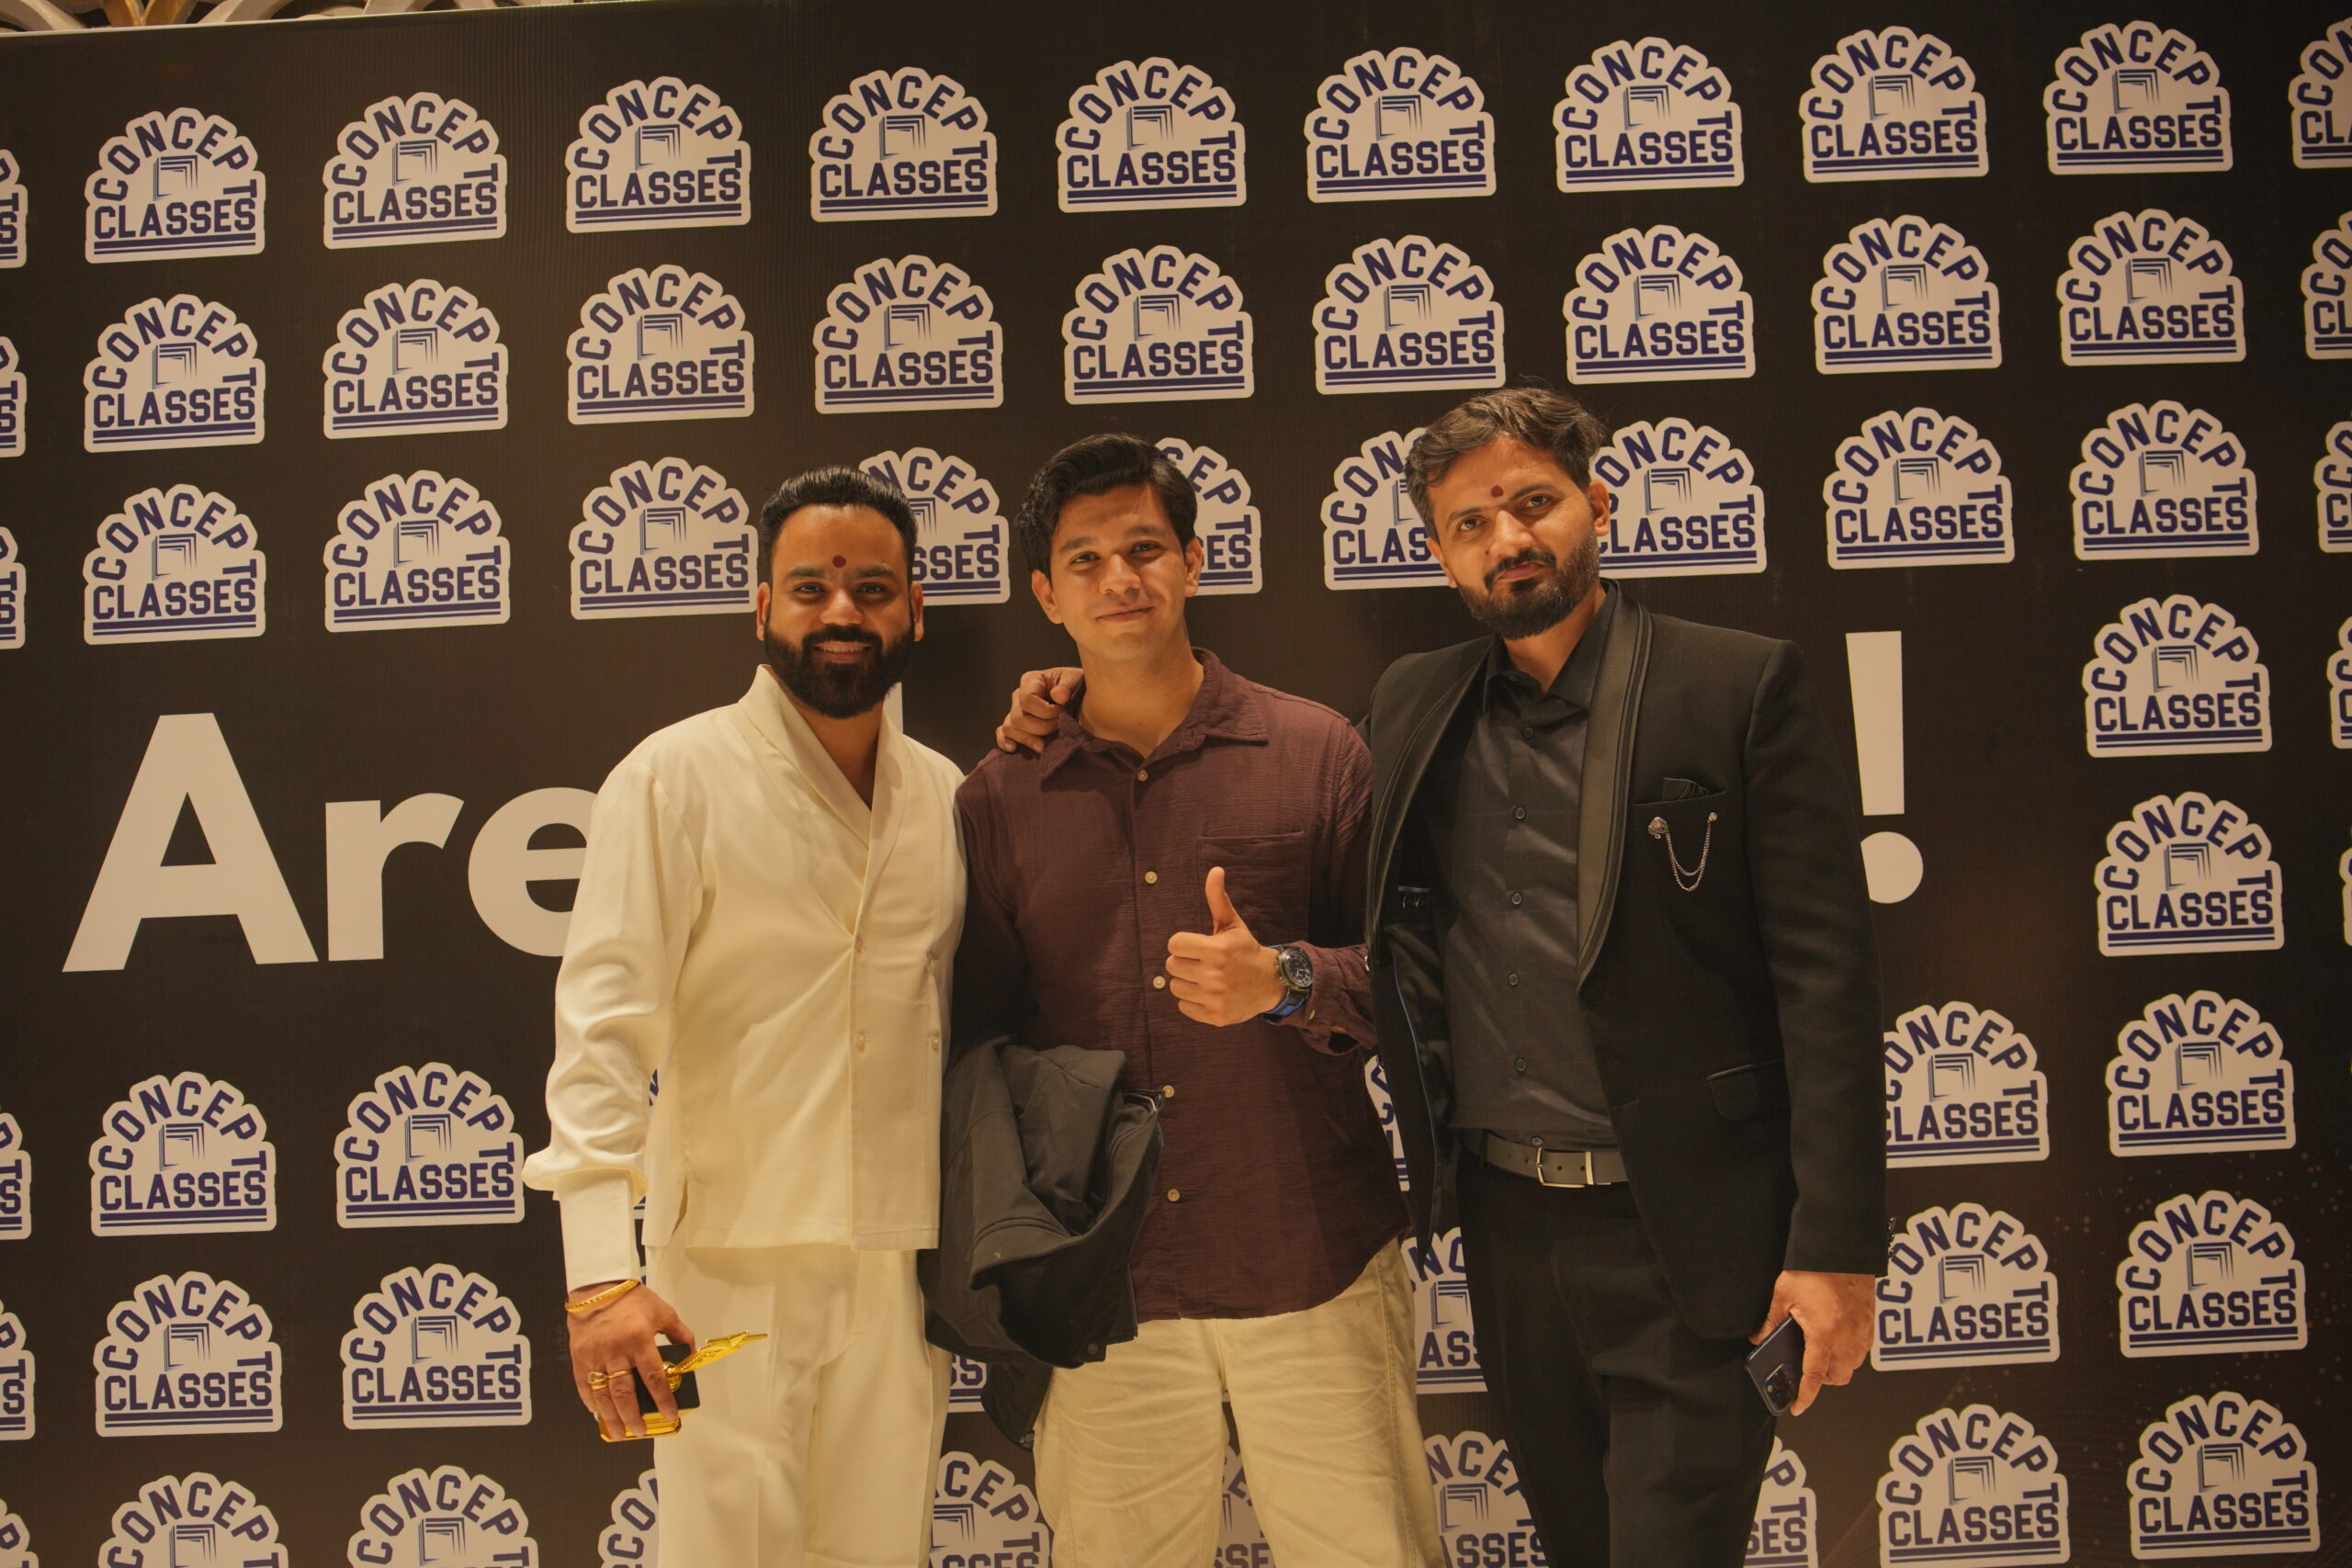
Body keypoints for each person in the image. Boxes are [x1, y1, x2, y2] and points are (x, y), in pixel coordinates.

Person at [995, 389, 1886, 1567]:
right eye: (1470, 522)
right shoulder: (1416, 706)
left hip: (1690, 1227)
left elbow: (1827, 986)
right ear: (1437, 550)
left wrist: (1837, 1249)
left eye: (1533, 504)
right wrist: (1060, 696)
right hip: (1511, 1233)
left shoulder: (1734, 685)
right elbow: (1391, 945)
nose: (1507, 538)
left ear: (1596, 505)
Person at [956, 433, 1440, 1568]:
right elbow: (978, 1049)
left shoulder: (1315, 752)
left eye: (1144, 549)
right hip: (1105, 1287)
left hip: (1308, 1259)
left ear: (1193, 561)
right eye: (1084, 561)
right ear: (1046, 595)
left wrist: (1288, 981)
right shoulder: (999, 797)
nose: (1118, 579)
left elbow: (1423, 981)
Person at [523, 467, 966, 1568]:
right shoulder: (674, 777)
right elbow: (603, 1033)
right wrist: (599, 1275)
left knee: (883, 1553)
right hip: (724, 1262)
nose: (841, 611)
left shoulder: (947, 794)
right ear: (763, 607)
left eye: (872, 588)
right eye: (810, 587)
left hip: (900, 1254)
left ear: (915, 609)